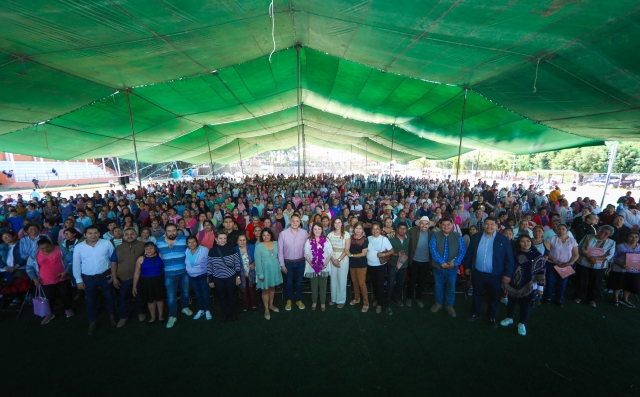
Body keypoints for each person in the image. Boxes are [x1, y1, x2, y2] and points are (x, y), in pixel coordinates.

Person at [465, 217, 515, 328]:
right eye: (487, 224)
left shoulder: (503, 239)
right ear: (483, 225)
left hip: (495, 275)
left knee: (493, 296)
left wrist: (508, 274)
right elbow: (470, 253)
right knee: (476, 294)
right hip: (478, 273)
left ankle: (492, 316)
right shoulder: (476, 237)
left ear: (497, 226)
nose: (489, 226)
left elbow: (509, 259)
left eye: (492, 224)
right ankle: (475, 313)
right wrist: (467, 267)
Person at [72, 225, 116, 335]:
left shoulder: (106, 243)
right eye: (90, 233)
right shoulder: (79, 247)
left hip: (105, 275)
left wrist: (113, 274)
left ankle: (112, 316)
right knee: (90, 300)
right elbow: (76, 264)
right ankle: (93, 321)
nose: (93, 235)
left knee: (110, 296)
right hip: (88, 278)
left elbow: (113, 260)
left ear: (99, 233)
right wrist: (79, 280)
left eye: (95, 233)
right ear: (85, 235)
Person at [499, 235, 546, 336]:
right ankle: (509, 318)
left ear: (531, 242)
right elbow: (507, 265)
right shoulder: (513, 253)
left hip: (528, 285)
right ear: (519, 243)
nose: (526, 243)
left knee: (525, 305)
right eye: (523, 241)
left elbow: (540, 272)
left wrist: (540, 288)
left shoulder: (537, 255)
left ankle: (522, 323)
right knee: (511, 302)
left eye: (528, 241)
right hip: (512, 284)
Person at [156, 223, 192, 329]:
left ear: (176, 230)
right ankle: (172, 315)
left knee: (185, 292)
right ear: (165, 232)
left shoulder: (184, 239)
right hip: (169, 273)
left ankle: (184, 307)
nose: (172, 233)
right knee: (171, 296)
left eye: (174, 230)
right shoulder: (158, 242)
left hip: (183, 272)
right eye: (169, 231)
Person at [29, 239, 73, 324]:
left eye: (47, 247)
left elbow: (71, 260)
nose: (45, 250)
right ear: (38, 248)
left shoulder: (61, 249)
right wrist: (34, 278)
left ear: (51, 244)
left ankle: (68, 308)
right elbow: (29, 268)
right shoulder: (35, 254)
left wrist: (66, 272)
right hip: (44, 280)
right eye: (42, 248)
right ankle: (49, 313)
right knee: (48, 297)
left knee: (65, 293)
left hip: (62, 277)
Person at [429, 217, 467, 317]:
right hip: (438, 266)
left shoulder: (458, 236)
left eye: (448, 224)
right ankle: (438, 303)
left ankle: (449, 305)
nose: (446, 226)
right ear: (440, 226)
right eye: (444, 224)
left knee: (451, 287)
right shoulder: (435, 235)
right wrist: (441, 262)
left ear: (452, 225)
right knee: (438, 286)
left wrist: (455, 263)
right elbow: (432, 249)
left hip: (452, 268)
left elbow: (462, 251)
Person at [110, 228, 146, 327]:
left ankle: (141, 312)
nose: (129, 236)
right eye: (127, 234)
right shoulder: (118, 248)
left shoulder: (143, 246)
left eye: (132, 234)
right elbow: (113, 264)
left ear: (136, 234)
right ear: (123, 235)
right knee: (124, 298)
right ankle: (123, 317)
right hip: (123, 277)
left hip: (140, 277)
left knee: (140, 296)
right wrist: (114, 278)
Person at [574, 225, 616, 307]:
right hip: (583, 263)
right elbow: (580, 247)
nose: (602, 234)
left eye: (606, 233)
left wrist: (596, 258)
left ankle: (591, 299)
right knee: (581, 280)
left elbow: (610, 255)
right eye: (601, 231)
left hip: (599, 266)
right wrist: (588, 257)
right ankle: (578, 296)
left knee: (595, 283)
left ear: (609, 235)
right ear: (598, 230)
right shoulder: (588, 236)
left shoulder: (611, 242)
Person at [207, 231, 242, 324]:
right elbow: (209, 266)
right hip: (218, 279)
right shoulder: (212, 251)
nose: (223, 240)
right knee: (222, 298)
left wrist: (237, 276)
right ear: (216, 239)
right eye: (221, 238)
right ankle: (224, 315)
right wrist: (210, 280)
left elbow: (237, 263)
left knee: (231, 297)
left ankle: (233, 314)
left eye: (225, 238)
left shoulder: (232, 249)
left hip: (230, 277)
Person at [278, 214, 309, 311]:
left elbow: (307, 249)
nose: (295, 223)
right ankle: (289, 300)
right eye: (293, 221)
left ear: (300, 222)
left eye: (297, 221)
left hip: (301, 262)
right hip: (288, 263)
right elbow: (280, 251)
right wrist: (282, 265)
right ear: (290, 222)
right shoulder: (283, 234)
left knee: (299, 282)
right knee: (289, 282)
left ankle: (299, 299)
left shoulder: (305, 233)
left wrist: (307, 263)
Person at [544, 224, 579, 307]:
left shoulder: (572, 241)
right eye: (559, 229)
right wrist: (556, 261)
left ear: (567, 231)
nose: (561, 231)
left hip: (566, 265)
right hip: (552, 263)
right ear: (556, 230)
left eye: (563, 229)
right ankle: (548, 298)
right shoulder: (551, 239)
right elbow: (547, 253)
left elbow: (576, 254)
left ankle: (558, 299)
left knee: (562, 283)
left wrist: (569, 263)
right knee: (550, 281)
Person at [132, 242, 166, 324]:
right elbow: (137, 273)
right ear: (144, 250)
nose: (149, 250)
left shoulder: (160, 256)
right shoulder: (141, 259)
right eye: (147, 248)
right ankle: (153, 317)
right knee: (150, 300)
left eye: (151, 248)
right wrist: (134, 286)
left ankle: (161, 316)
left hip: (159, 280)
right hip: (146, 282)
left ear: (155, 249)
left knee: (160, 298)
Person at [303, 223, 334, 311]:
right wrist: (312, 264)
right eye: (315, 229)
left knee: (323, 285)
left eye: (319, 229)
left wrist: (325, 264)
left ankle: (323, 302)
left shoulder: (326, 240)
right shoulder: (309, 240)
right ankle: (314, 301)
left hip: (324, 267)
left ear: (322, 230)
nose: (317, 231)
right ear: (312, 230)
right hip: (312, 267)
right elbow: (306, 254)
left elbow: (329, 253)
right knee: (314, 285)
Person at [255, 228, 283, 320]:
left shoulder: (276, 243)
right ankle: (266, 309)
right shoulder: (258, 246)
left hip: (275, 270)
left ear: (271, 235)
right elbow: (258, 262)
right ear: (261, 236)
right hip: (265, 271)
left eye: (268, 235)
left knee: (272, 288)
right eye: (264, 235)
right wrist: (260, 274)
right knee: (265, 290)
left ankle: (271, 305)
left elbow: (280, 256)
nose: (266, 237)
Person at [367, 223, 394, 314]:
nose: (375, 230)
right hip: (370, 265)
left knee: (379, 284)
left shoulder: (384, 239)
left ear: (380, 230)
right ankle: (377, 298)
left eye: (377, 229)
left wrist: (383, 254)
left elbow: (392, 251)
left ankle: (379, 304)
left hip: (380, 266)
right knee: (374, 283)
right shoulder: (368, 238)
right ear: (371, 230)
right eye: (373, 229)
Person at [610, 231, 640, 308]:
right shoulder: (620, 246)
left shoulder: (639, 247)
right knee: (618, 284)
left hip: (634, 270)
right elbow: (613, 258)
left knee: (630, 284)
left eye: (636, 237)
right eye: (631, 236)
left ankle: (625, 299)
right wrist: (622, 264)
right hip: (620, 269)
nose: (634, 239)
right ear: (626, 238)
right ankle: (615, 298)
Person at [185, 236, 212, 320]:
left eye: (193, 242)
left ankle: (207, 310)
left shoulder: (204, 250)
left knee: (205, 293)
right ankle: (201, 310)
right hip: (192, 277)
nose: (192, 244)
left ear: (197, 242)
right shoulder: (187, 251)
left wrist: (209, 276)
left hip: (203, 275)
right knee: (197, 294)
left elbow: (209, 263)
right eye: (189, 242)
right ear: (187, 244)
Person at [386, 223, 411, 315]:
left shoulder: (408, 237)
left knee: (400, 284)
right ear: (397, 229)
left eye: (404, 229)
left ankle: (396, 298)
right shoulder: (391, 238)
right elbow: (386, 251)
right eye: (400, 228)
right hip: (393, 264)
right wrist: (396, 254)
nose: (402, 230)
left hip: (404, 265)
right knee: (391, 284)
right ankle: (388, 304)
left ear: (407, 230)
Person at [407, 216, 431, 308]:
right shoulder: (412, 231)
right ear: (419, 224)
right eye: (422, 223)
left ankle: (419, 298)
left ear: (429, 225)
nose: (424, 225)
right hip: (414, 261)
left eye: (426, 224)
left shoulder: (432, 234)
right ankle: (409, 297)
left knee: (422, 281)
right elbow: (402, 233)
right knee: (411, 280)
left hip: (426, 262)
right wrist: (394, 233)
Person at [327, 217, 351, 308]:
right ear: (333, 224)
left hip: (343, 259)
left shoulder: (346, 234)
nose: (337, 224)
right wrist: (333, 260)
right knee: (333, 280)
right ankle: (333, 298)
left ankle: (341, 300)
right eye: (335, 223)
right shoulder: (330, 235)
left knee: (342, 279)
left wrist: (338, 260)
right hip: (332, 258)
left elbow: (347, 249)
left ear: (342, 224)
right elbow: (328, 249)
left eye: (339, 222)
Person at [347, 222, 369, 312]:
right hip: (352, 264)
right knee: (354, 281)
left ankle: (366, 303)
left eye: (360, 229)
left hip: (361, 264)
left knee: (362, 283)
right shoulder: (351, 238)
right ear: (353, 229)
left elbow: (363, 253)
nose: (358, 230)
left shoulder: (365, 239)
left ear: (363, 230)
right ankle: (357, 298)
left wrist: (351, 255)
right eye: (356, 228)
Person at [236, 234, 256, 312]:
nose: (242, 242)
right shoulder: (235, 249)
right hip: (241, 273)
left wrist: (254, 263)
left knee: (252, 289)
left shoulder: (252, 247)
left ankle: (254, 305)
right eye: (240, 240)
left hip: (251, 272)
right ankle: (245, 307)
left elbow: (258, 257)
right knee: (243, 291)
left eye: (244, 240)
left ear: (246, 241)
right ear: (237, 242)